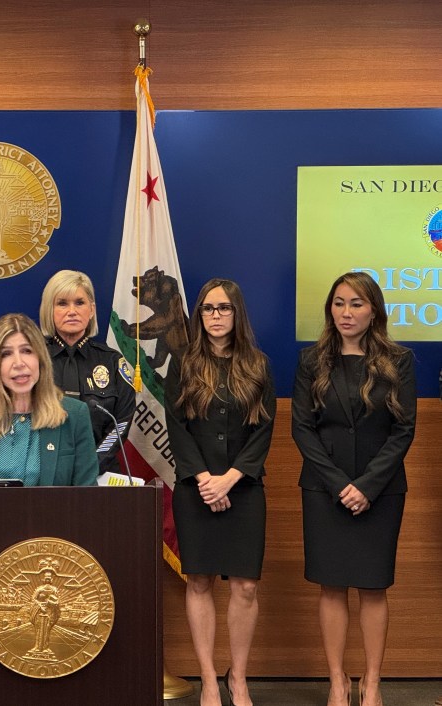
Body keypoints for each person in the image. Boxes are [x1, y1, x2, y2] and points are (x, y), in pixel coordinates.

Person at [292, 271, 416, 706]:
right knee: (331, 586)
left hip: (381, 492)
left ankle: (373, 683)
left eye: (357, 304)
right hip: (324, 490)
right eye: (339, 303)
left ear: (374, 311)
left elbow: (403, 430)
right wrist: (340, 484)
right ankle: (337, 682)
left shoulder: (399, 360)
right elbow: (303, 429)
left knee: (373, 586)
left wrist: (366, 487)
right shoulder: (311, 361)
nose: (346, 312)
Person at [164, 278, 275, 706]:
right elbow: (177, 426)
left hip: (244, 489)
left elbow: (264, 429)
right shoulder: (183, 363)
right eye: (208, 309)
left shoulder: (258, 365)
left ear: (237, 313)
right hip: (195, 488)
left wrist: (230, 478)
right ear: (199, 315)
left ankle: (238, 678)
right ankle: (209, 680)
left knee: (245, 586)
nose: (215, 316)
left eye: (224, 308)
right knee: (199, 581)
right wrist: (205, 479)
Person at [0, 313, 99, 487]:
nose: (18, 363)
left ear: (40, 358)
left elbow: (87, 495)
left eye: (27, 351)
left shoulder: (74, 415)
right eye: (6, 354)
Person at [39, 270, 136, 475]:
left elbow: (121, 423)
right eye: (62, 303)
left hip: (99, 473)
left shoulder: (112, 361)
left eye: (79, 303)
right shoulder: (34, 360)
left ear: (91, 310)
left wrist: (92, 463)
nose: (72, 311)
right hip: (43, 472)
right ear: (49, 310)